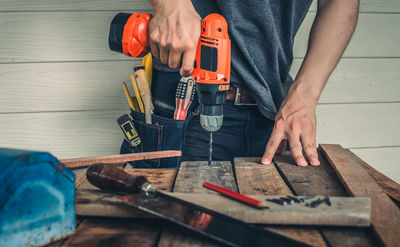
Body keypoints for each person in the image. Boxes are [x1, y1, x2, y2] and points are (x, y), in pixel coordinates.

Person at [146, 0, 359, 166]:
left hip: (274, 111)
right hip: (188, 98)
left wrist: (305, 96)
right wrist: (170, 5)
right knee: (175, 214)